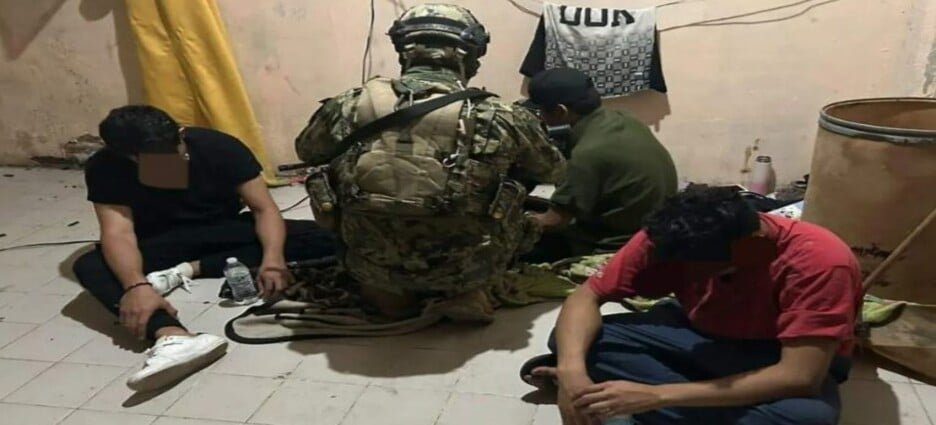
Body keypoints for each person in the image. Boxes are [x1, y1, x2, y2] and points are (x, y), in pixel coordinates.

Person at [295, 4, 565, 320]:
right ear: (471, 56)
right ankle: (467, 293)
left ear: (402, 51)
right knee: (516, 204)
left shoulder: (349, 104)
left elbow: (307, 151)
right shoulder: (502, 115)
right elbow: (552, 170)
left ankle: (388, 297)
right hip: (468, 267)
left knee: (337, 191)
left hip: (370, 259)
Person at [523, 186, 861, 425]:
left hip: (776, 354)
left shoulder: (820, 261)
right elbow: (586, 296)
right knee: (577, 342)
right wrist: (572, 374)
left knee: (805, 419)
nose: (688, 277)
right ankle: (623, 396)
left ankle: (628, 405)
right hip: (697, 333)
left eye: (702, 270)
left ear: (752, 244)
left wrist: (659, 396)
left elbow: (799, 376)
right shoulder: (672, 235)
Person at [73, 105, 336, 391]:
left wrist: (273, 260)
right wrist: (135, 285)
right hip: (159, 240)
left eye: (177, 151)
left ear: (181, 133)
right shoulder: (105, 166)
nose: (173, 162)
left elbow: (264, 209)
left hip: (222, 229)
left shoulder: (218, 147)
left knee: (327, 236)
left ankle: (187, 270)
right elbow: (118, 232)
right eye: (157, 161)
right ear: (129, 157)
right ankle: (173, 336)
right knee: (91, 267)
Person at [523, 68, 678, 263]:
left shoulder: (588, 153)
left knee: (520, 249)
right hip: (653, 234)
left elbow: (556, 221)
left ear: (561, 111)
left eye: (541, 111)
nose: (540, 117)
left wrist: (519, 220)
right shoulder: (624, 118)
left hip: (615, 248)